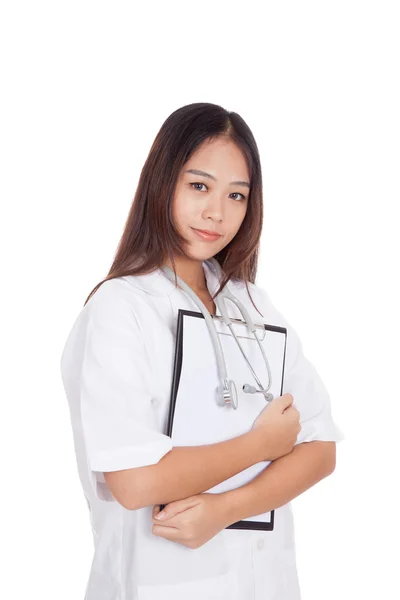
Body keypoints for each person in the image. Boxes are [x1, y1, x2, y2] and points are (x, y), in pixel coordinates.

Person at [60, 102, 344, 600]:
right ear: (162, 182)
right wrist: (262, 445)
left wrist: (226, 509)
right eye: (199, 186)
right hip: (157, 583)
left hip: (267, 584)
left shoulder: (254, 305)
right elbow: (134, 481)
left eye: (237, 195)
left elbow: (320, 450)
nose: (217, 211)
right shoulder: (121, 308)